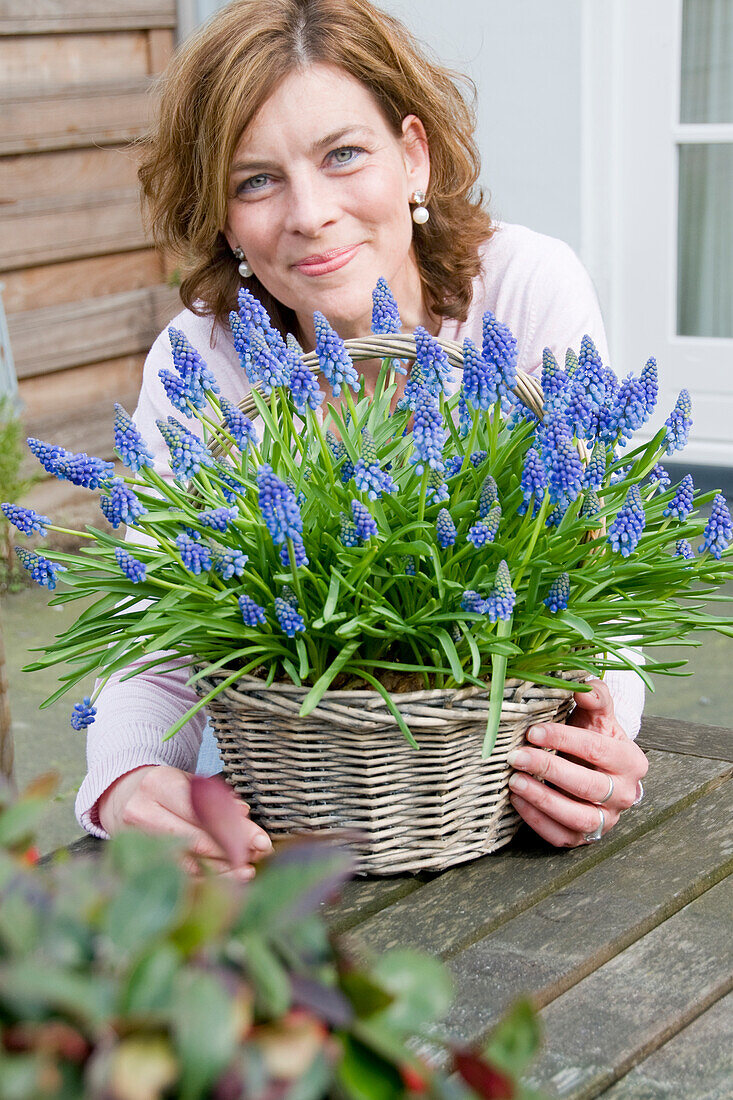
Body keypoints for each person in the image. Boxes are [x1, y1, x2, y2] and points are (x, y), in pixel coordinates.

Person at [76, 0, 648, 879]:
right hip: (282, 821)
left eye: (343, 155)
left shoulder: (525, 289)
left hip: (488, 805)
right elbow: (163, 623)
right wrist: (128, 772)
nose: (309, 213)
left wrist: (604, 721)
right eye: (254, 180)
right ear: (223, 217)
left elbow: (595, 572)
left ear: (412, 156)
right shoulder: (203, 358)